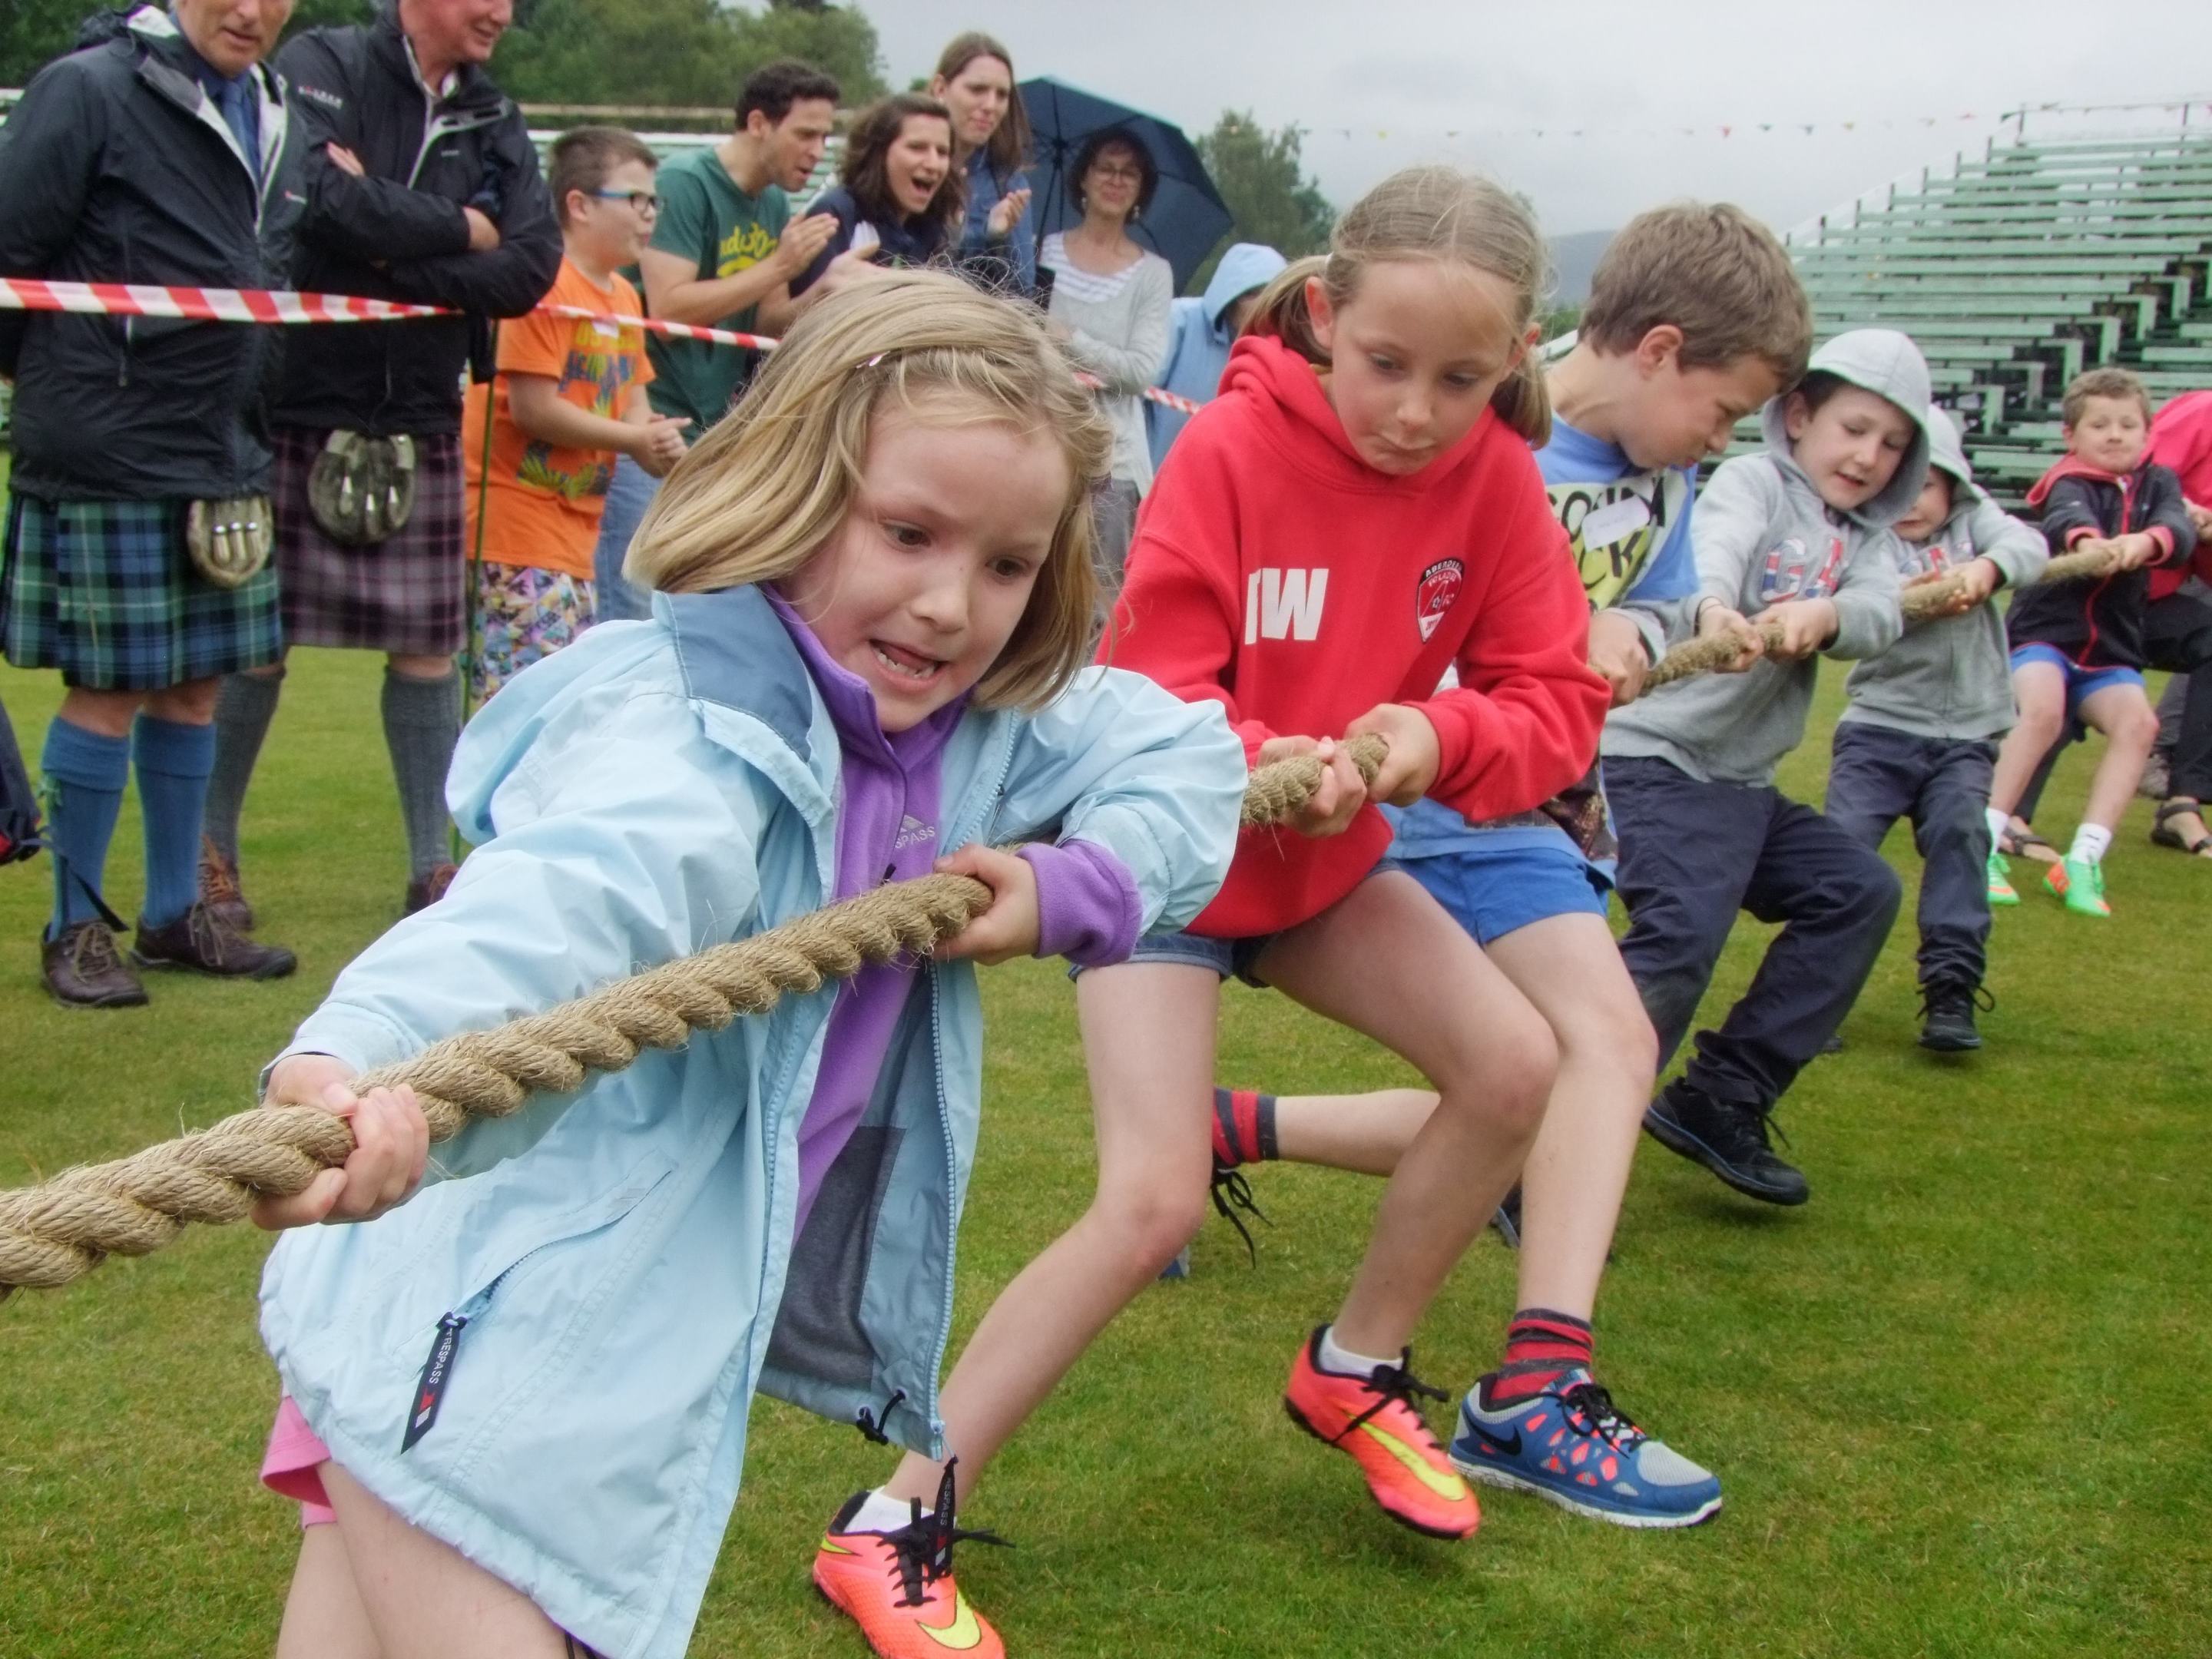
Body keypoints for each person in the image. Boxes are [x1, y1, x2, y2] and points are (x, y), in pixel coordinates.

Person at [250, 273, 1246, 1659]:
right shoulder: (695, 740)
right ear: (795, 483)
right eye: (907, 532)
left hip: (576, 1353)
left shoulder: (983, 726)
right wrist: (356, 1059)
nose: (954, 605)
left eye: (1009, 564)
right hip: (466, 1345)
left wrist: (1076, 885)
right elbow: (564, 907)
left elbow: (1187, 752)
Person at [816, 168, 1610, 1659]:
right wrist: (1261, 764)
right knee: (1150, 1200)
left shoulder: (1496, 481)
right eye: (1386, 365)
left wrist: (1433, 744)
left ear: (1514, 364)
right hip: (1171, 867)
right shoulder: (1238, 443)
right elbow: (1153, 688)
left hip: (1324, 873)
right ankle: (891, 1523)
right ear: (1324, 316)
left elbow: (1556, 707)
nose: (1419, 410)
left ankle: (1353, 1363)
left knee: (1515, 1065)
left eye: (1463, 378)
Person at [1209, 202, 1804, 1531]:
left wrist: (1658, 622)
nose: (1723, 440)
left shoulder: (1658, 476)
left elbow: (1645, 593)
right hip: (1412, 796)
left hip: (1533, 797)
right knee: (1574, 1058)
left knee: (1565, 1068)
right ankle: (1533, 1384)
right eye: (1725, 408)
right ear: (1658, 350)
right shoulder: (1474, 447)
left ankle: (1247, 1137)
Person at [202, 0, 562, 926]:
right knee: (256, 642)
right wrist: (461, 229)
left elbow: (527, 268)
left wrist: (385, 254)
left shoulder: (495, 116)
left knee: (428, 652)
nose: (503, 12)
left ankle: (430, 870)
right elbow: (319, 202)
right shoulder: (323, 63)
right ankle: (210, 856)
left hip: (419, 410)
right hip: (296, 397)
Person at [0, 0, 304, 1006]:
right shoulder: (88, 87)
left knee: (198, 686)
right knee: (108, 687)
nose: (253, 10)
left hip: (220, 445)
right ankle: (74, 929)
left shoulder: (270, 101)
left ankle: (178, 915)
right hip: (109, 443)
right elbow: (12, 259)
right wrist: (76, 393)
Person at [1609, 329, 1926, 1207]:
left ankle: (1722, 1094)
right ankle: (1546, 1144)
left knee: (1859, 892)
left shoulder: (1864, 537)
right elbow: (1709, 556)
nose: (1869, 457)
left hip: (1740, 784)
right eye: (1855, 429)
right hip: (1657, 759)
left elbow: (1879, 611)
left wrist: (1824, 615)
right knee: (1681, 937)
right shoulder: (1753, 481)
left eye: (1893, 443)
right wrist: (1716, 609)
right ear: (1799, 417)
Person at [1823, 406, 2047, 1051]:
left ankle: (1951, 987)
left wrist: (1985, 571)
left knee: (1959, 837)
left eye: (1927, 484)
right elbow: (1855, 608)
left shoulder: (1977, 526)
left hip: (1968, 736)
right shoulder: (1868, 541)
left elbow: (2030, 545)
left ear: (1954, 485)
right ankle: (1816, 994)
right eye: (1900, 486)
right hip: (1877, 731)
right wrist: (1908, 599)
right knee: (1843, 857)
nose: (1912, 502)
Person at [594, 59, 842, 623]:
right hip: (648, 424)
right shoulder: (687, 184)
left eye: (825, 136)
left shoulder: (774, 202)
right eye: (805, 133)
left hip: (712, 434)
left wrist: (827, 288)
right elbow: (669, 304)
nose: (817, 149)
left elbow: (765, 322)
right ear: (759, 123)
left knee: (692, 603)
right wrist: (779, 263)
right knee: (632, 602)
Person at [459, 127, 688, 703]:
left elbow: (637, 409)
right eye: (634, 200)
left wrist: (660, 445)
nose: (649, 216)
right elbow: (534, 409)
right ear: (579, 206)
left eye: (653, 202)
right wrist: (635, 439)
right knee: (521, 707)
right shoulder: (542, 284)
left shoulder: (624, 298)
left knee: (562, 706)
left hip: (575, 542)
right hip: (516, 530)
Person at [1984, 367, 2196, 916]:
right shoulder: (2066, 479)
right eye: (2099, 424)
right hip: (2045, 639)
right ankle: (1979, 844)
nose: (2115, 434)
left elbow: (2179, 528)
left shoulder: (2160, 483)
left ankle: (2083, 860)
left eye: (2128, 425)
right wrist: (2093, 544)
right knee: (2043, 713)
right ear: (2071, 437)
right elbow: (2064, 519)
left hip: (2109, 653)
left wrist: (2150, 540)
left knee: (2140, 725)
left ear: (2148, 434)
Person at [1038, 128, 1175, 579]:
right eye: (1106, 168)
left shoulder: (1154, 275)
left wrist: (1068, 338)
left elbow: (1139, 370)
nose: (1115, 180)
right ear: (1083, 177)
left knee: (1097, 602)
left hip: (1112, 463)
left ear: (1141, 188)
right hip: (1038, 437)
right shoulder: (1045, 250)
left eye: (1129, 173)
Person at [787, 93, 964, 298]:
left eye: (942, 152)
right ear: (878, 153)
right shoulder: (835, 214)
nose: (933, 164)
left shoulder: (933, 229)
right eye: (917, 148)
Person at [1146, 241, 1287, 469]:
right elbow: (1139, 388)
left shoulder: (1283, 354)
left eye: (1273, 299)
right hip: (1153, 473)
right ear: (1231, 294)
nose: (1263, 307)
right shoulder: (1180, 319)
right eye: (1252, 295)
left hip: (1218, 479)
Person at [929, 31, 1035, 294]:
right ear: (941, 89)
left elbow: (1022, 293)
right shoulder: (909, 166)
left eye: (1001, 95)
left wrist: (997, 239)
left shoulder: (1008, 183)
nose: (991, 105)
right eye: (977, 89)